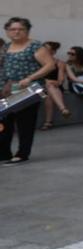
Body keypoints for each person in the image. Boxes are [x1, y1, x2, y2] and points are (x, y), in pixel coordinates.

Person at [1, 17, 57, 164]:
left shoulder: (35, 46)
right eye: (13, 29)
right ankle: (4, 153)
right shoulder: (6, 47)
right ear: (7, 31)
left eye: (21, 29)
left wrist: (30, 78)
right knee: (4, 123)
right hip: (7, 90)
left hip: (28, 91)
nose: (16, 32)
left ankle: (22, 153)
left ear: (27, 30)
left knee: (25, 123)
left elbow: (50, 65)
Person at [38, 41, 71, 130]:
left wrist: (51, 82)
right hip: (39, 90)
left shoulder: (60, 63)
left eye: (47, 50)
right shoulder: (37, 62)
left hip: (55, 87)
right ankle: (63, 109)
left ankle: (48, 122)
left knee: (49, 90)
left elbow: (60, 81)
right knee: (47, 88)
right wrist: (46, 81)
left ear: (53, 52)